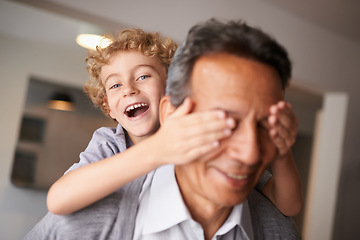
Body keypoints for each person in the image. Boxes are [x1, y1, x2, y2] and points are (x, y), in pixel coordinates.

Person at [25, 19, 301, 239]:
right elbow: (59, 199)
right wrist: (160, 149)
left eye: (144, 76)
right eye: (115, 85)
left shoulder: (236, 154)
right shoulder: (111, 144)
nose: (130, 89)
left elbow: (288, 204)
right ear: (109, 109)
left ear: (168, 88)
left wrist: (281, 148)